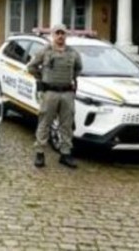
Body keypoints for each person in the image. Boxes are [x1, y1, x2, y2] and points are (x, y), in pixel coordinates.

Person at [27, 24, 82, 169]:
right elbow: (31, 67)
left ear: (66, 35)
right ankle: (40, 153)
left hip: (67, 93)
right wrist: (42, 78)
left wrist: (69, 78)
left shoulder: (73, 53)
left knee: (67, 125)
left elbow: (78, 68)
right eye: (57, 33)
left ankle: (65, 153)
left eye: (63, 33)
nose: (60, 36)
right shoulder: (45, 51)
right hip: (50, 93)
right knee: (45, 123)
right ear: (53, 35)